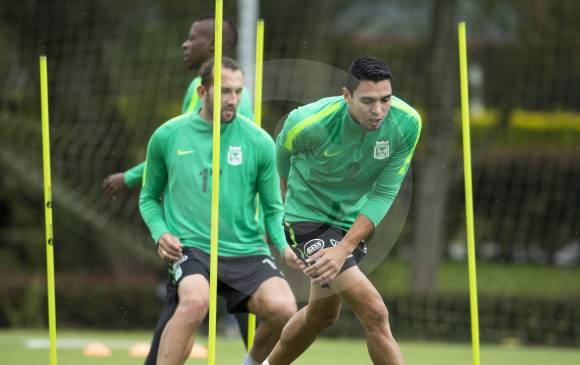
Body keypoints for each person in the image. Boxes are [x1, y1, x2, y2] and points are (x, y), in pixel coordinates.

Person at [102, 16, 258, 364]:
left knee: (188, 304)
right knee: (222, 307)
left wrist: (129, 177)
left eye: (193, 39)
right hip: (229, 218)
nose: (185, 45)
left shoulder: (206, 92)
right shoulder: (223, 90)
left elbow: (181, 151)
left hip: (209, 222)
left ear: (213, 47)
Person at [140, 57, 303, 365]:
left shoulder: (259, 141)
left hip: (246, 250)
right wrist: (161, 233)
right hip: (192, 248)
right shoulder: (167, 136)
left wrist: (283, 246)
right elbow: (148, 197)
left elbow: (272, 207)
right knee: (195, 302)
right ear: (203, 91)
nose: (234, 100)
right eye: (226, 91)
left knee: (284, 309)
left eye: (239, 91)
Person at [263, 56, 421, 365]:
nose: (378, 110)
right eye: (367, 101)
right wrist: (284, 213)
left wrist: (345, 246)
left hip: (350, 225)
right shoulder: (307, 122)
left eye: (385, 99)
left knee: (321, 315)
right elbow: (279, 163)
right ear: (346, 96)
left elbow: (386, 191)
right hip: (306, 220)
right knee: (374, 311)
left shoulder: (407, 123)